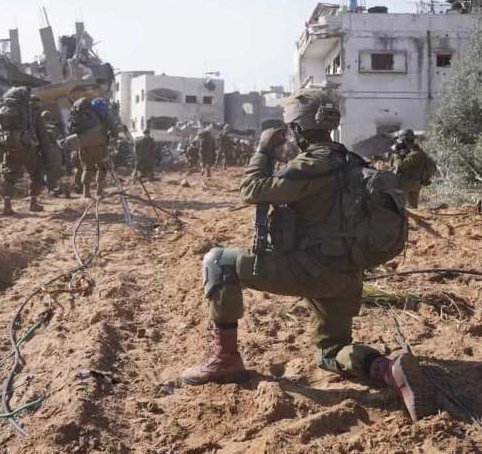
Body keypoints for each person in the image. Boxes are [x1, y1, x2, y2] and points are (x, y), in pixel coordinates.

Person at [180, 88, 436, 423]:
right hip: (346, 275)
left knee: (218, 262)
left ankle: (225, 359)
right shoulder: (351, 160)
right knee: (330, 352)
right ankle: (389, 370)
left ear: (297, 130)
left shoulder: (312, 164)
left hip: (308, 270)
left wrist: (264, 149)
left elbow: (251, 190)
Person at [0, 87, 52, 215]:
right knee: (36, 174)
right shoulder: (35, 115)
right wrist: (47, 154)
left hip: (10, 145)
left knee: (9, 175)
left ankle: (7, 205)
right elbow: (43, 137)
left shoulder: (6, 112)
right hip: (28, 147)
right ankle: (33, 203)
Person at [67, 97, 119, 198]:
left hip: (84, 145)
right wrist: (115, 137)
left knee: (87, 168)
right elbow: (113, 129)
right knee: (102, 167)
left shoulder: (81, 116)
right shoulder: (102, 114)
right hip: (99, 144)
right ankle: (100, 191)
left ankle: (86, 193)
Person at [390, 129, 435, 208]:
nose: (398, 142)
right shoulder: (409, 151)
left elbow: (399, 165)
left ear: (404, 140)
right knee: (411, 208)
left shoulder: (415, 154)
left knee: (405, 208)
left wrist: (396, 154)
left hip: (407, 185)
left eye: (399, 140)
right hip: (412, 184)